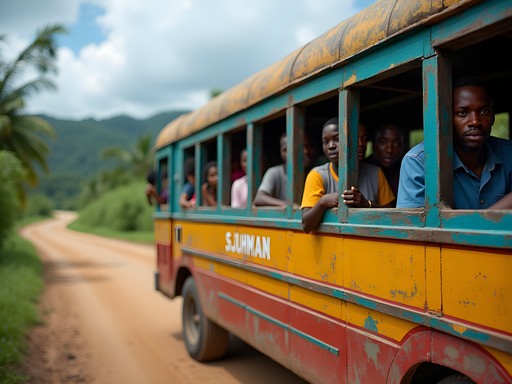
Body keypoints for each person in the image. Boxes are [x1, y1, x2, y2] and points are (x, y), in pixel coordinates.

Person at [397, 75, 512, 209]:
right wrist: (491, 214)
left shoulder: (508, 153)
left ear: (492, 117)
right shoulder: (420, 162)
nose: (475, 121)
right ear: (446, 119)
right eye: (463, 113)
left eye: (484, 111)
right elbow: (413, 228)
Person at [301, 118, 395, 233]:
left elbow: (393, 215)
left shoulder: (375, 172)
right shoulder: (317, 175)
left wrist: (367, 204)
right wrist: (322, 202)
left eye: (337, 139)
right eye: (325, 141)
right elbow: (306, 225)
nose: (331, 146)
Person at [254, 133, 314, 207]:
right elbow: (259, 198)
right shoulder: (275, 173)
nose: (306, 151)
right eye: (300, 148)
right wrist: (288, 206)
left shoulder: (314, 173)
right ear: (284, 152)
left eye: (308, 146)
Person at [363, 123, 404, 198]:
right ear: (373, 143)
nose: (390, 149)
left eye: (396, 143)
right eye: (383, 142)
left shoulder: (407, 170)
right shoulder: (361, 169)